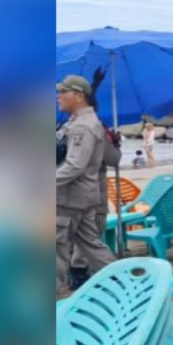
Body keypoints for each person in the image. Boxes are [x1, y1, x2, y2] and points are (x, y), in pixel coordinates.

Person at [56, 75, 116, 295]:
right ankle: (122, 281)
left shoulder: (83, 126)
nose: (58, 96)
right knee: (92, 245)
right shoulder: (79, 122)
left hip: (68, 199)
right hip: (81, 197)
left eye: (64, 92)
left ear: (79, 97)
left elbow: (74, 166)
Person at [69, 69, 122, 290]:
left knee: (80, 234)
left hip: (71, 190)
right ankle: (82, 271)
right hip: (93, 188)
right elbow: (113, 159)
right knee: (92, 232)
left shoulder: (68, 126)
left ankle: (78, 270)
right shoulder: (94, 128)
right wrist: (114, 145)